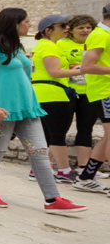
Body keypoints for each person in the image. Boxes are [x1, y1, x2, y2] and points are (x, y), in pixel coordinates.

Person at [0, 7, 85, 214]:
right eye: (26, 21)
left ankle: (52, 199)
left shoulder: (17, 48)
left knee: (40, 152)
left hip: (27, 108)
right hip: (2, 109)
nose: (29, 25)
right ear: (14, 24)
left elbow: (25, 78)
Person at [31, 14, 82, 183]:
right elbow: (55, 72)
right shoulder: (49, 47)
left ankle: (39, 169)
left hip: (42, 92)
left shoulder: (42, 45)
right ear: (48, 30)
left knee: (46, 134)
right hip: (53, 93)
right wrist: (83, 70)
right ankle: (64, 170)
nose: (67, 28)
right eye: (62, 25)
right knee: (58, 134)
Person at [74, 3, 110, 193]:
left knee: (107, 137)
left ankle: (86, 177)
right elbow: (87, 66)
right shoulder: (100, 35)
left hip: (105, 91)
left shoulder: (103, 34)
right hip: (105, 91)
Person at [58, 15, 99, 174]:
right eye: (81, 28)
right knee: (61, 129)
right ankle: (53, 166)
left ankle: (84, 167)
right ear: (71, 30)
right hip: (68, 91)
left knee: (86, 128)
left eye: (88, 27)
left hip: (89, 91)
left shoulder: (96, 44)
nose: (85, 30)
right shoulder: (62, 44)